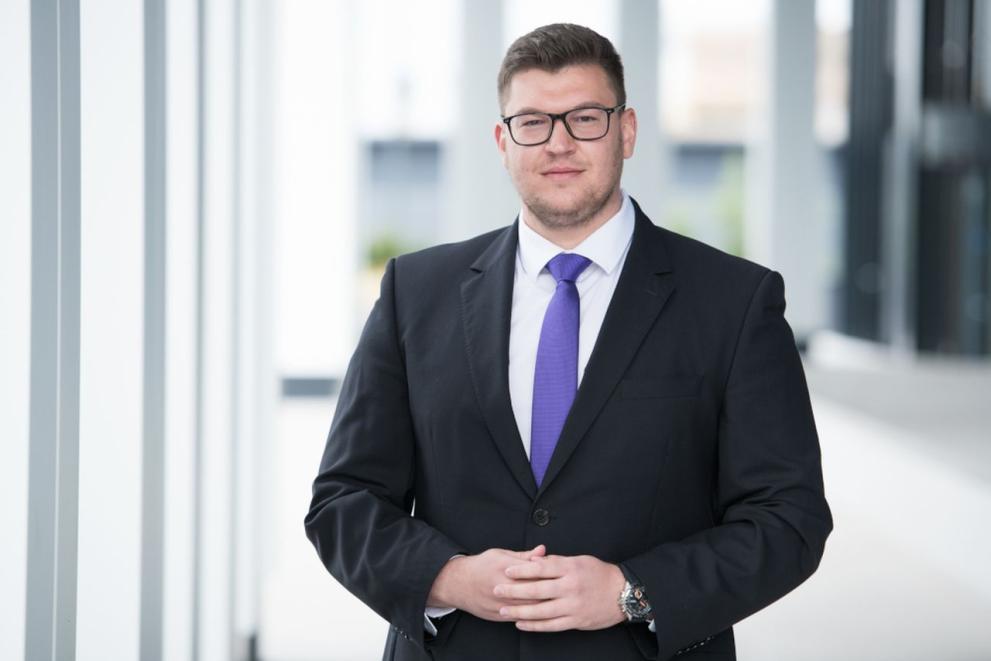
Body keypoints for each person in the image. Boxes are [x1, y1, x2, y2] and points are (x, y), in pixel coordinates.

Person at [305, 22, 832, 661]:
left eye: (584, 118)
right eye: (532, 122)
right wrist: (448, 577)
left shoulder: (734, 302)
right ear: (503, 141)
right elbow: (344, 499)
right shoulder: (414, 293)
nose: (558, 143)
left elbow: (789, 518)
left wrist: (631, 593)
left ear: (626, 131)